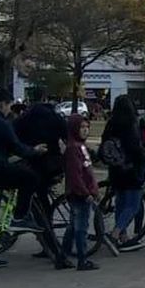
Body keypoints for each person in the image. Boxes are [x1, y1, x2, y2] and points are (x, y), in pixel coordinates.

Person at [0, 89, 63, 265]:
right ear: (1, 104)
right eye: (8, 105)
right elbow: (16, 146)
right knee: (30, 178)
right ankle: (20, 216)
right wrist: (35, 150)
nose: (9, 110)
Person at [13, 100, 69, 260]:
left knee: (37, 195)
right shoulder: (56, 118)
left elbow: (15, 138)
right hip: (54, 164)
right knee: (42, 193)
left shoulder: (25, 119)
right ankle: (46, 221)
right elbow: (66, 137)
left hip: (35, 163)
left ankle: (45, 231)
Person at [100, 95, 145, 253]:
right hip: (131, 170)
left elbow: (104, 143)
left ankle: (124, 237)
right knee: (133, 205)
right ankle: (115, 234)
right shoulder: (131, 124)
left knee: (120, 203)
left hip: (115, 170)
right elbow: (135, 148)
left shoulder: (111, 123)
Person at [61, 113, 100, 271]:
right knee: (81, 228)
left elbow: (87, 171)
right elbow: (75, 175)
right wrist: (86, 193)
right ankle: (82, 259)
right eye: (81, 127)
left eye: (87, 127)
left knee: (73, 226)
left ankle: (63, 256)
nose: (85, 130)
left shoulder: (81, 146)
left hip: (85, 191)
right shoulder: (73, 149)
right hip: (79, 194)